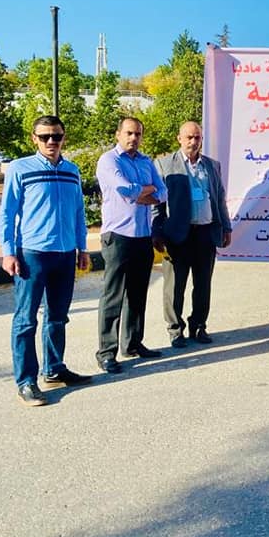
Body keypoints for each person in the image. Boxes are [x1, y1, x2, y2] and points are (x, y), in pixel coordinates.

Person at [0, 115, 92, 406]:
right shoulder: (20, 168)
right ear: (34, 139)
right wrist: (8, 251)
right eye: (44, 137)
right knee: (26, 320)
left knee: (58, 316)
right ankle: (26, 381)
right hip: (32, 254)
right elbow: (7, 213)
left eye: (57, 136)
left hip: (64, 254)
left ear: (64, 138)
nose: (51, 141)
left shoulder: (72, 171)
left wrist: (82, 248)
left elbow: (78, 212)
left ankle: (54, 368)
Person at [95, 117, 168, 373]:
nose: (133, 138)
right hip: (118, 235)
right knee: (113, 296)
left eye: (137, 134)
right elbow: (125, 190)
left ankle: (133, 343)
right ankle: (107, 352)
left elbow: (163, 192)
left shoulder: (146, 162)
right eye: (128, 133)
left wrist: (143, 193)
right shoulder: (109, 160)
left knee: (137, 294)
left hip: (142, 236)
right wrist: (147, 190)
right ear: (118, 134)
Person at [151, 121, 232, 347]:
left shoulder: (212, 166)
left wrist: (226, 227)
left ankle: (199, 325)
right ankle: (175, 330)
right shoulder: (164, 164)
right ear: (179, 138)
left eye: (197, 138)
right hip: (177, 235)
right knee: (174, 287)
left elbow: (219, 198)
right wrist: (156, 232)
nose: (193, 142)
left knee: (203, 284)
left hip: (206, 232)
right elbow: (157, 204)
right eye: (189, 137)